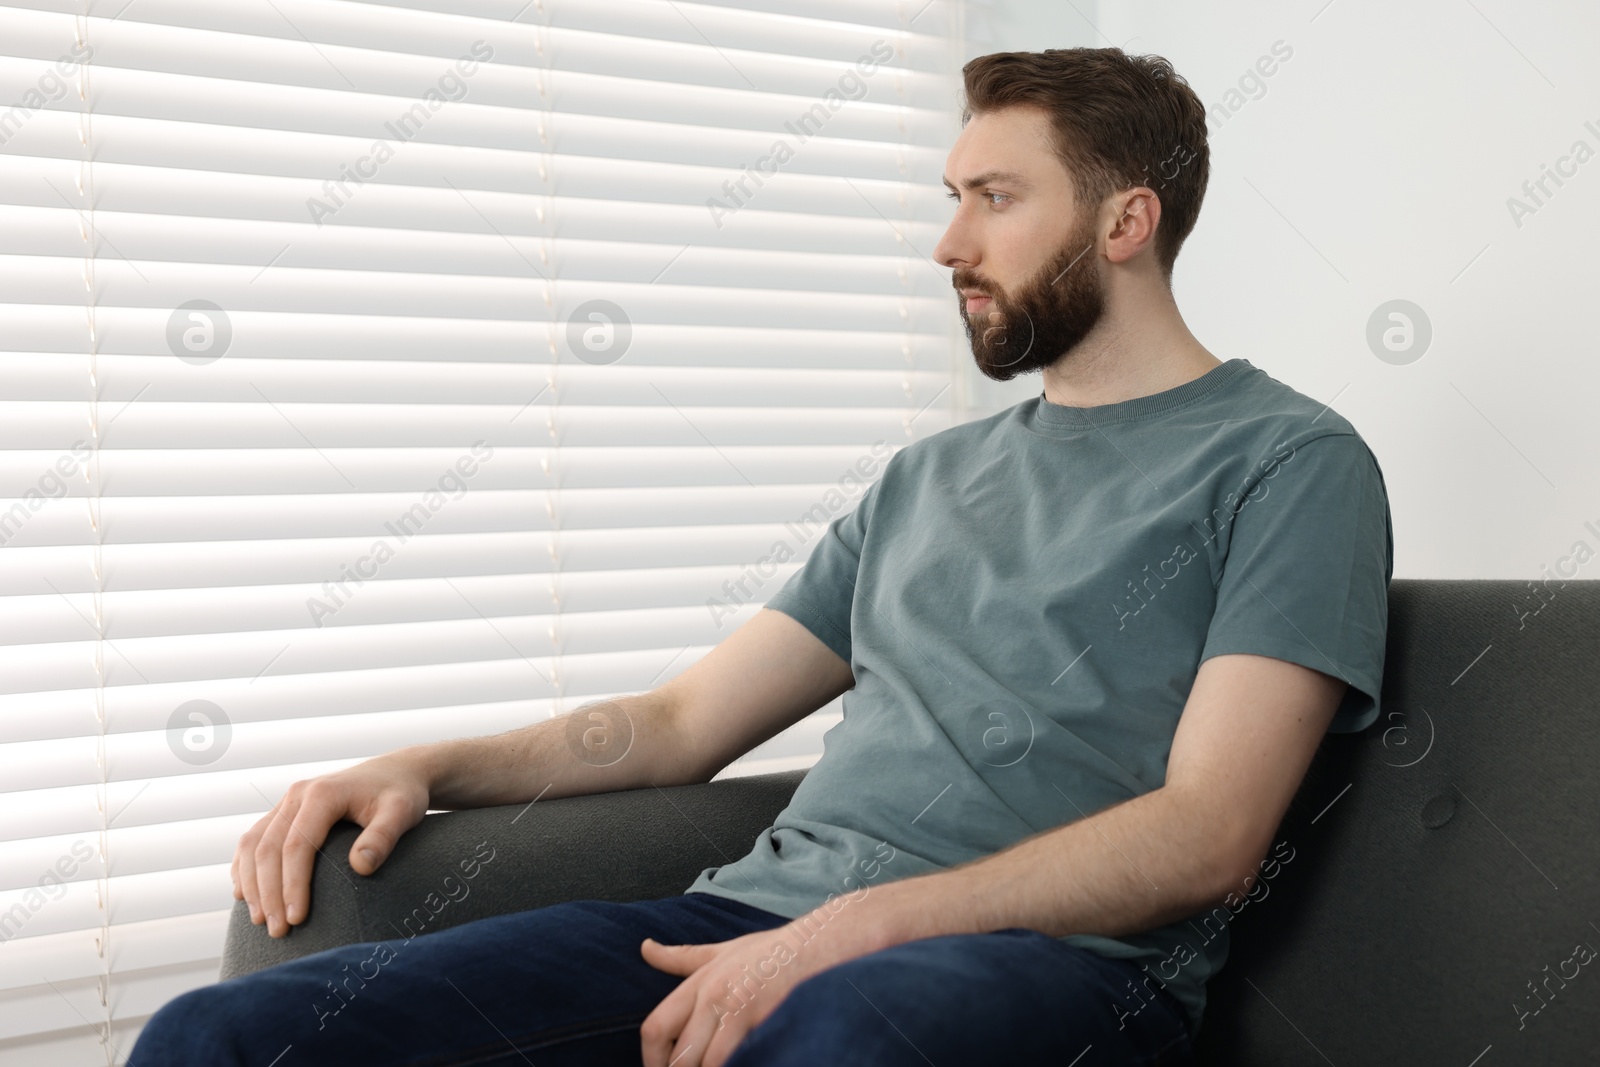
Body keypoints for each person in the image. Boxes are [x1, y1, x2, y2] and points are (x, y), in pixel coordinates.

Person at [132, 46, 1392, 1067]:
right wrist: (424, 764)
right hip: (744, 923)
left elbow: (1207, 832)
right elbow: (681, 722)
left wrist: (863, 925)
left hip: (1056, 969)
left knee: (837, 1033)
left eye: (994, 199)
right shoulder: (929, 479)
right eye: (950, 198)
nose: (948, 244)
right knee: (220, 1035)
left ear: (1126, 220)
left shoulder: (1288, 463)